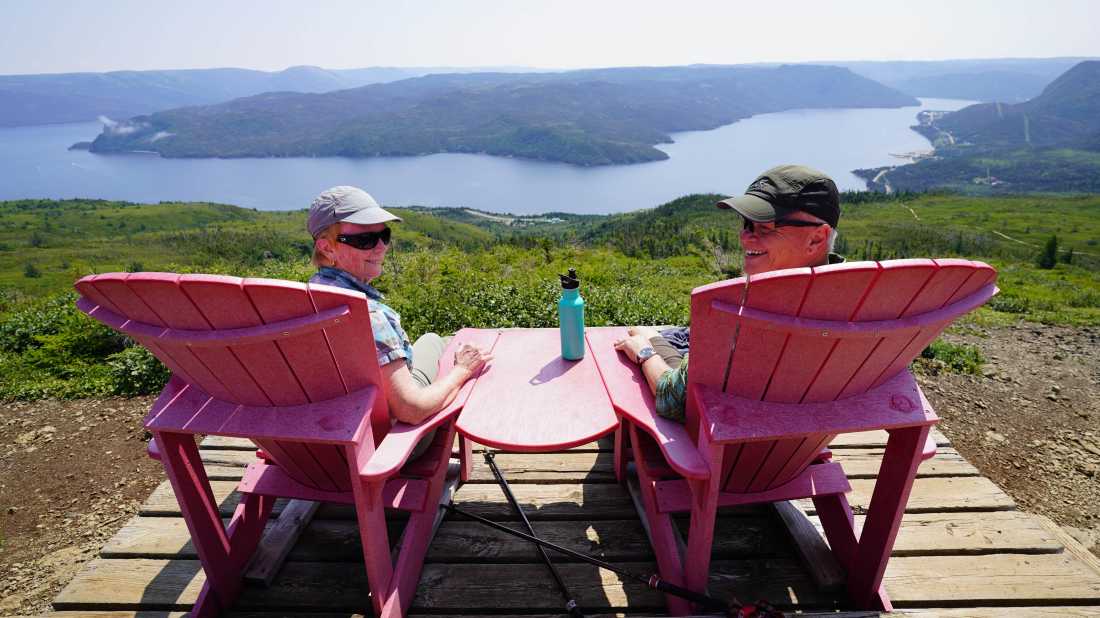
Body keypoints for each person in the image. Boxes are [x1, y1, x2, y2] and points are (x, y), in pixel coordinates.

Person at [613, 165, 845, 422]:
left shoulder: (745, 311)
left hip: (724, 441)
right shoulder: (857, 300)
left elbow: (674, 400)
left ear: (816, 238)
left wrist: (645, 352)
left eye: (765, 228)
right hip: (799, 439)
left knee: (637, 337)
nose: (745, 238)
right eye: (746, 224)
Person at [307, 186, 492, 455]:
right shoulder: (369, 317)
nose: (381, 247)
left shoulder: (307, 295)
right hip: (383, 445)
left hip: (317, 442)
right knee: (444, 347)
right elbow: (412, 410)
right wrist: (462, 372)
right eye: (365, 240)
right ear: (327, 247)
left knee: (431, 340)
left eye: (384, 235)